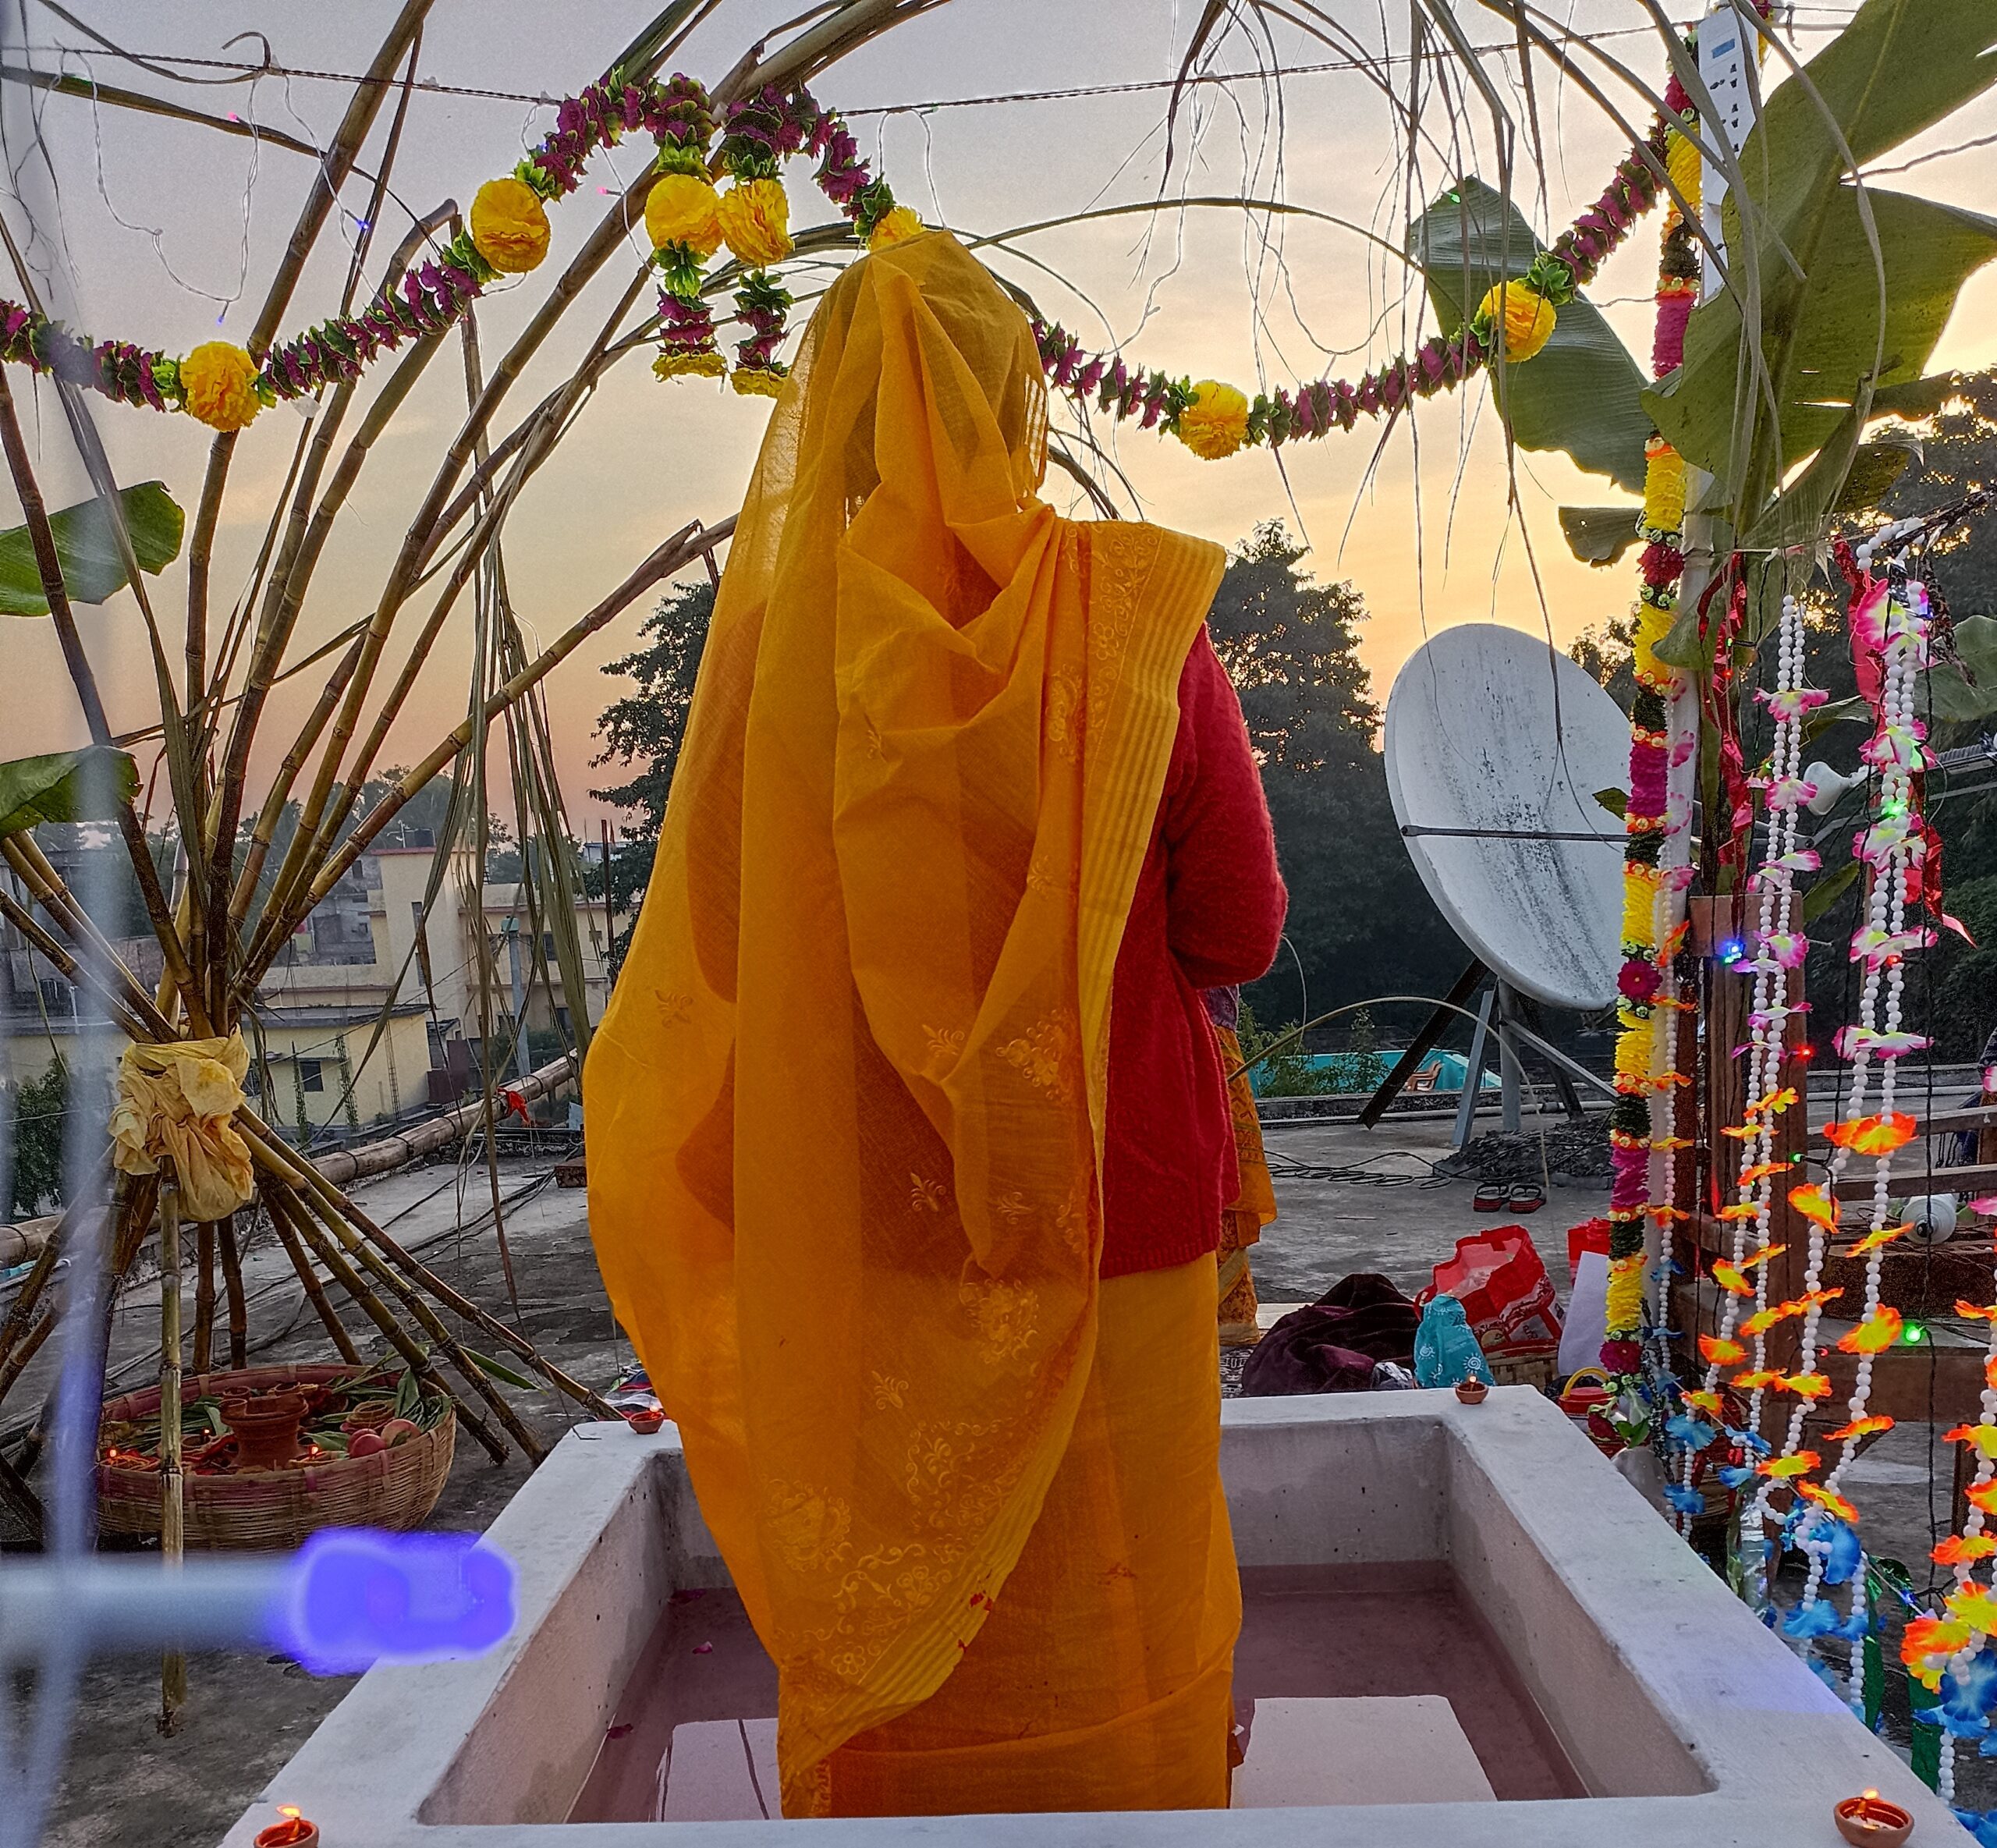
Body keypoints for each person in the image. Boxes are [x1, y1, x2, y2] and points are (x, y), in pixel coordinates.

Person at [587, 230, 1284, 1821]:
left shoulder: (778, 646)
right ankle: (1133, 1795)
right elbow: (1234, 931)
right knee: (1122, 1554)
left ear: (833, 423)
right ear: (1020, 399)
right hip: (1121, 1184)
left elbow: (713, 934)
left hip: (869, 1199)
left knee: (906, 1543)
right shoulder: (1138, 619)